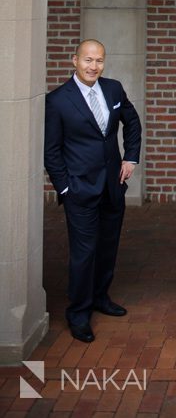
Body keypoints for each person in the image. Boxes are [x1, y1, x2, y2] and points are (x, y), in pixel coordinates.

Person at [44, 39, 142, 343]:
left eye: (99, 60)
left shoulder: (112, 89)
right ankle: (79, 313)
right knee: (83, 253)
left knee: (108, 246)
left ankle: (101, 297)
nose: (93, 66)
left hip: (112, 185)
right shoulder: (58, 100)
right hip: (80, 189)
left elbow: (133, 121)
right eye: (87, 60)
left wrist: (131, 156)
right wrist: (65, 188)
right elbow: (51, 151)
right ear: (75, 60)